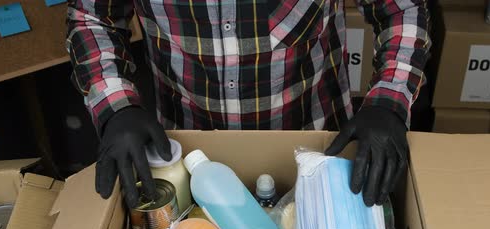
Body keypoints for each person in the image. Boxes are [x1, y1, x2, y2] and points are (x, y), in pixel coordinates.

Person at [67, 0, 430, 208]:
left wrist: (389, 100)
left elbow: (402, 8)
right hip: (187, 154)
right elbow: (92, 15)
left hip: (317, 151)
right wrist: (116, 106)